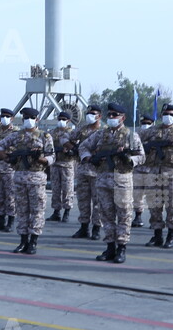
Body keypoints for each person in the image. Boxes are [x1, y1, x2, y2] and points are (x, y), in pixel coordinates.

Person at [78, 102, 145, 264]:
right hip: (102, 179)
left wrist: (128, 159)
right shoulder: (101, 135)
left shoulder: (131, 136)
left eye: (115, 115)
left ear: (123, 118)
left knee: (124, 215)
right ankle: (109, 247)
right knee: (106, 215)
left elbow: (142, 156)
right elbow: (83, 146)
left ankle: (121, 247)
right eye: (110, 115)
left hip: (122, 179)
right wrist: (88, 158)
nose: (112, 118)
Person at [0, 108, 56, 254]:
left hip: (37, 178)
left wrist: (41, 159)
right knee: (22, 211)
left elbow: (52, 156)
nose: (28, 119)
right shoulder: (16, 136)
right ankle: (23, 240)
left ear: (37, 119)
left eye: (31, 117)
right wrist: (6, 157)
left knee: (37, 210)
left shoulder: (44, 136)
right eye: (26, 117)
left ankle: (33, 241)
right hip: (20, 177)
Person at [140, 104, 173, 248]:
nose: (168, 116)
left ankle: (171, 235)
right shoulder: (152, 130)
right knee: (154, 204)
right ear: (161, 115)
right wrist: (151, 146)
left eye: (171, 114)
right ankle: (157, 235)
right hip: (154, 170)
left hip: (172, 172)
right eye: (165, 113)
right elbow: (138, 143)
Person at [69, 105, 104, 240]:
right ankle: (84, 227)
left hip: (97, 171)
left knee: (98, 202)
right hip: (83, 169)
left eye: (93, 113)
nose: (89, 115)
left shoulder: (103, 132)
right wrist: (75, 148)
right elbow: (67, 138)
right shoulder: (82, 129)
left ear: (99, 116)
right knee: (83, 200)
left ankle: (96, 228)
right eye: (88, 113)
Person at [48, 110, 77, 223]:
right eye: (59, 119)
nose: (61, 121)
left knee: (67, 189)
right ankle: (56, 211)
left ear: (68, 121)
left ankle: (67, 211)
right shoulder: (52, 132)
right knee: (55, 188)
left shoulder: (72, 133)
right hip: (55, 163)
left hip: (67, 164)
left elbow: (75, 148)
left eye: (63, 120)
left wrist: (68, 150)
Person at [131, 115, 155, 227]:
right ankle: (138, 216)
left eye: (148, 122)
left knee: (153, 196)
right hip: (138, 169)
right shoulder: (135, 135)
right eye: (144, 122)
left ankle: (154, 219)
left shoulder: (155, 135)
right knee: (137, 194)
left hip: (151, 169)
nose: (145, 125)